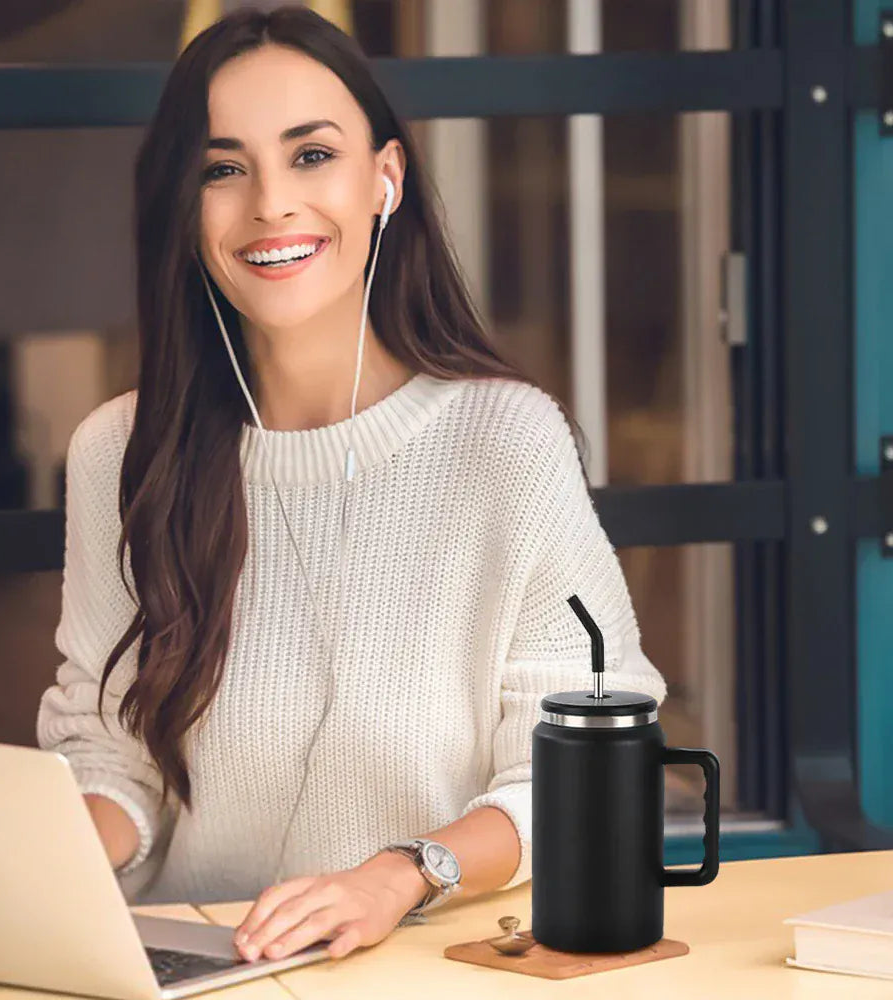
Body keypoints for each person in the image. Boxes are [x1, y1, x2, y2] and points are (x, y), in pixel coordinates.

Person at [36, 3, 667, 966]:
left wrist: (399, 874)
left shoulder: (508, 443)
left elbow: (582, 774)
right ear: (183, 203)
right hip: (192, 967)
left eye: (312, 155)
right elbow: (111, 754)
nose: (270, 205)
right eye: (222, 168)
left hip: (417, 965)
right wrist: (38, 856)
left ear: (386, 179)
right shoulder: (119, 451)